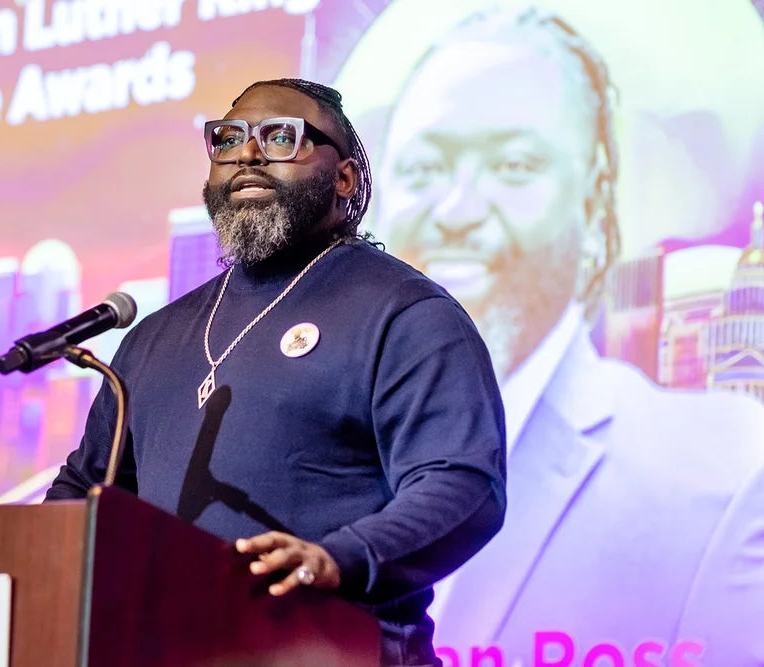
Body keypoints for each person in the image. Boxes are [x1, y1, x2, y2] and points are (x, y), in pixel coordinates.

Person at [45, 78, 507, 666]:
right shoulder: (154, 337)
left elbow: (464, 486)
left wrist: (337, 559)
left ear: (344, 179)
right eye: (228, 138)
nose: (248, 153)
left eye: (280, 137)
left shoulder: (404, 312)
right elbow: (86, 494)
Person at [375, 6, 764, 662]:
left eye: (516, 165)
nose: (459, 211)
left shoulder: (723, 472)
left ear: (593, 203)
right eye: (423, 170)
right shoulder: (299, 457)